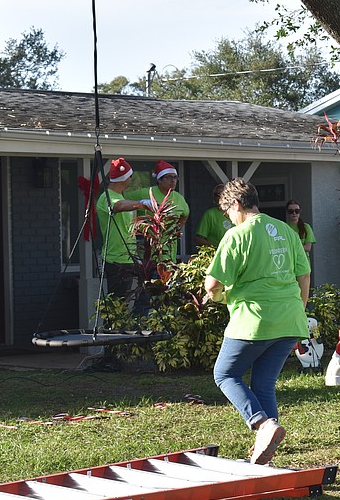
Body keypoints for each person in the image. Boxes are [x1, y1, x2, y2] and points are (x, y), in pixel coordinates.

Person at [203, 178, 310, 465]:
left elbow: (212, 285)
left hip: (254, 320)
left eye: (228, 212)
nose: (229, 218)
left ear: (236, 203)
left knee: (225, 374)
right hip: (290, 320)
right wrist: (298, 310)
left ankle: (262, 424)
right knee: (264, 383)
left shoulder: (237, 236)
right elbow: (304, 275)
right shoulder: (287, 231)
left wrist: (218, 298)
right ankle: (265, 451)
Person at [95, 158, 153, 315]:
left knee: (147, 288)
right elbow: (117, 207)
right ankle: (114, 332)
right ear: (124, 178)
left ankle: (137, 321)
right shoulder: (106, 197)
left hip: (130, 258)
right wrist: (141, 203)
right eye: (130, 176)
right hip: (116, 260)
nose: (131, 179)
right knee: (117, 305)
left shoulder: (121, 196)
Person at [125, 160, 190, 265]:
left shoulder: (179, 198)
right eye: (168, 177)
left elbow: (185, 214)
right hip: (149, 256)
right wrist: (138, 224)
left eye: (175, 177)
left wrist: (177, 228)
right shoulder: (146, 192)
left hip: (169, 255)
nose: (173, 181)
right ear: (159, 180)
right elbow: (123, 200)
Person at [196, 183, 233, 248]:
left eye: (223, 194)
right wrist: (215, 247)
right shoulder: (210, 214)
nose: (220, 197)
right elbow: (199, 239)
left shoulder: (236, 213)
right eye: (217, 195)